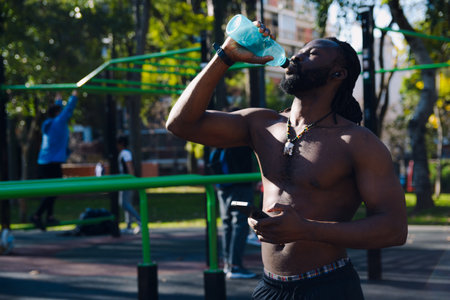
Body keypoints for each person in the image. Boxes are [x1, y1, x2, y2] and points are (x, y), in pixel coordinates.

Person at [166, 20, 408, 299]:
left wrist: (308, 229)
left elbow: (393, 229)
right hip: (269, 287)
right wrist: (225, 56)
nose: (297, 55)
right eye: (300, 50)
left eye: (312, 53)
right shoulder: (261, 124)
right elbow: (180, 124)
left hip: (327, 286)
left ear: (337, 73)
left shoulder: (357, 142)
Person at [30, 90, 78, 230]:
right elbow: (68, 110)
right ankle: (37, 215)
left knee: (52, 191)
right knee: (53, 191)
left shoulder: (51, 123)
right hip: (51, 163)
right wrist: (73, 96)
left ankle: (49, 216)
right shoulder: (58, 122)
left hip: (45, 162)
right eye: (59, 110)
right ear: (58, 113)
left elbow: (60, 111)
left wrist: (58, 101)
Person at [209, 146, 257, 279]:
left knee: (227, 223)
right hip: (240, 182)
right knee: (239, 223)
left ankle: (228, 264)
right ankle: (235, 265)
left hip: (224, 183)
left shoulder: (219, 134)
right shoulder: (238, 136)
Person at [116, 136, 141, 234]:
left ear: (121, 143)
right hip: (124, 180)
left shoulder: (125, 153)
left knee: (124, 203)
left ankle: (140, 221)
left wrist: (131, 181)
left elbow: (129, 167)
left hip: (126, 181)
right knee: (126, 203)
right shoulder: (123, 153)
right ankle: (129, 225)